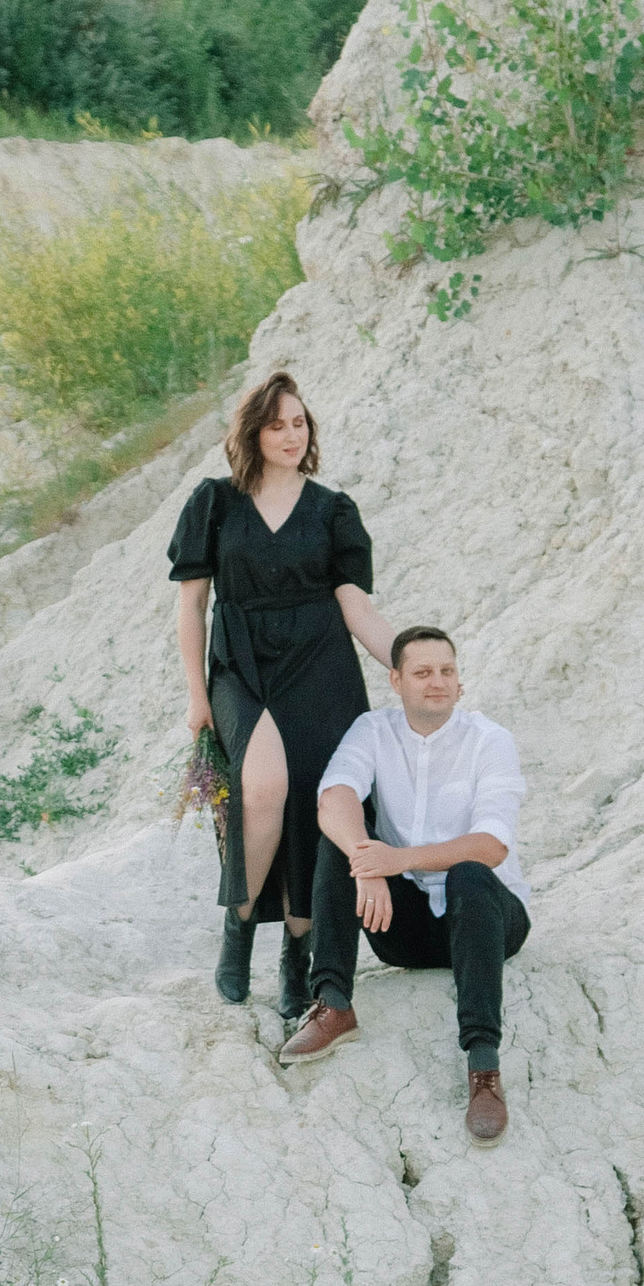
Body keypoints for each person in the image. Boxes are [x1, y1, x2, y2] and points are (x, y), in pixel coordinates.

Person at [169, 372, 403, 1023]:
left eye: (299, 423)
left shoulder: (333, 510)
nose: (291, 435)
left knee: (317, 804)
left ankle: (297, 958)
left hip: (321, 665)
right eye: (277, 425)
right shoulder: (214, 503)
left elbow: (356, 608)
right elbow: (192, 606)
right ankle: (238, 928)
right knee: (263, 786)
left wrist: (407, 664)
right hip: (241, 665)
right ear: (253, 433)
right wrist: (197, 694)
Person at [280, 627, 530, 1145]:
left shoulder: (490, 739)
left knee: (468, 869)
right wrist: (368, 863)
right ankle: (333, 1002)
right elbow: (336, 796)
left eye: (447, 671)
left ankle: (484, 1068)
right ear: (396, 680)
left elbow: (492, 845)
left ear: (459, 682)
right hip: (404, 929)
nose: (437, 682)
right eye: (422, 672)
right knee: (340, 839)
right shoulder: (373, 730)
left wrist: (398, 858)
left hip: (488, 920)